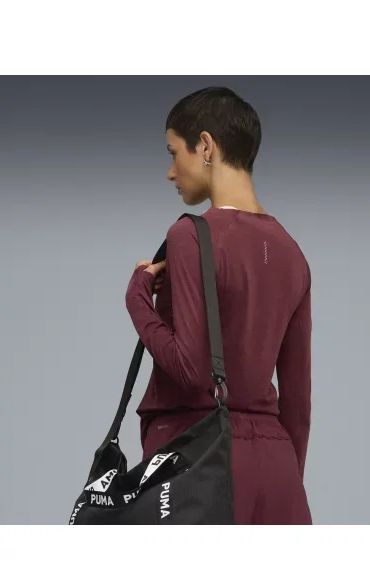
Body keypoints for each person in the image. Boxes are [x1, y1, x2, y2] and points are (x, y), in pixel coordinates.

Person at [125, 86, 312, 524]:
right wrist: (284, 482)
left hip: (195, 455)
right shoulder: (293, 254)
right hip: (278, 467)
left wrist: (137, 297)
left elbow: (192, 370)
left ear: (206, 146)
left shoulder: (189, 236)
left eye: (174, 153)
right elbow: (298, 401)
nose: (171, 172)